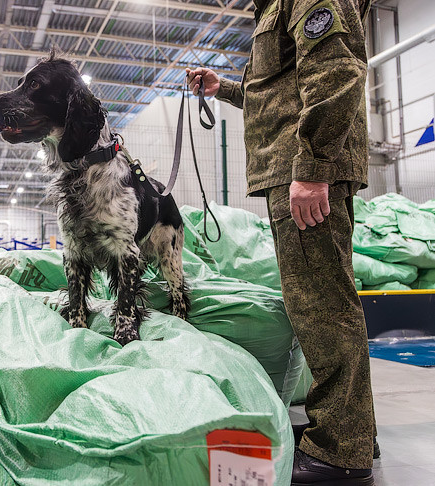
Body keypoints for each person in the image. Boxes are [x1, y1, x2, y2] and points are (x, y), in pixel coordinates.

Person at [186, 0, 376, 484]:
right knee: (323, 302)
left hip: (306, 172)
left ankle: (339, 450)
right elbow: (279, 94)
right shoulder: (272, 7)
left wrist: (312, 169)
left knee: (321, 306)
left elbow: (337, 71)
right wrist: (223, 88)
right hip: (290, 171)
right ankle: (353, 431)